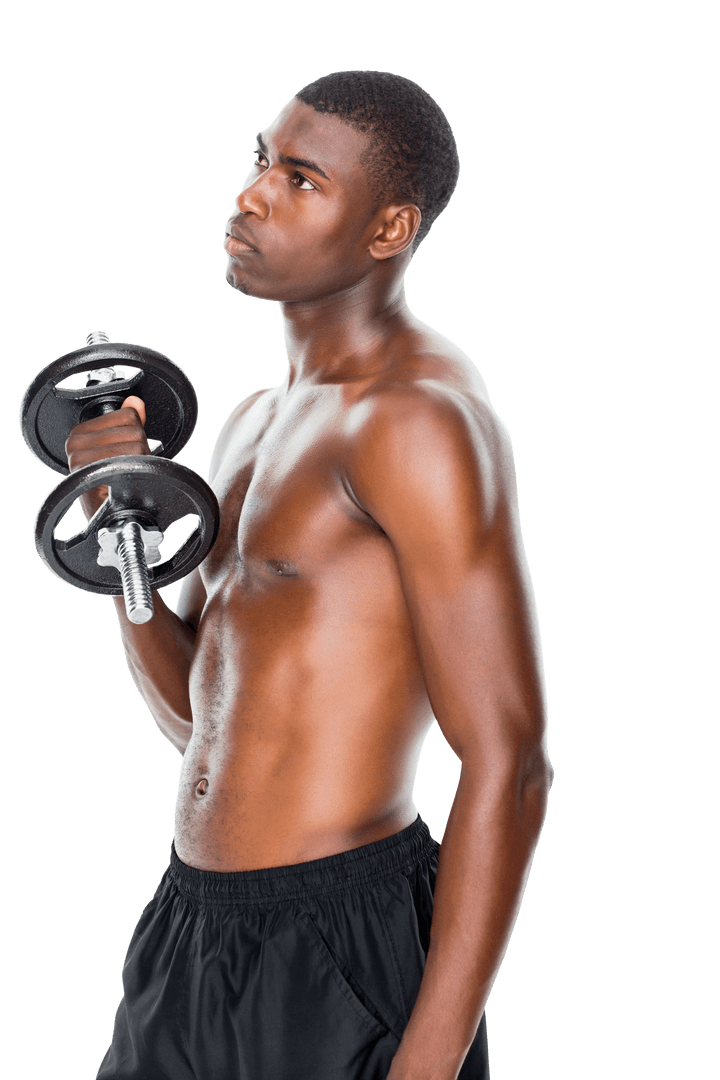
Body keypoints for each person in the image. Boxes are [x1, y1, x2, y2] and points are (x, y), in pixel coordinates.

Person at [71, 70, 554, 1080]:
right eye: (259, 159)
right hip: (188, 927)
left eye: (299, 179)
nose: (250, 195)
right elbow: (199, 720)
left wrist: (426, 1063)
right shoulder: (253, 422)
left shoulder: (418, 420)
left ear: (388, 231)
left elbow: (509, 762)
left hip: (343, 945)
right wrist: (118, 524)